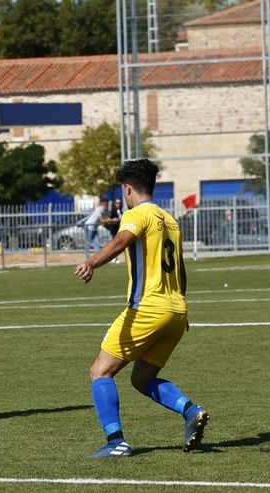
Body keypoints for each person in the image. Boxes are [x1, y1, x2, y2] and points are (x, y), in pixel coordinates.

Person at [74, 159, 209, 458]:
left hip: (147, 308)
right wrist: (181, 305)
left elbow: (122, 240)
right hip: (176, 312)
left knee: (100, 371)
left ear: (127, 189)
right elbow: (181, 269)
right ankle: (191, 410)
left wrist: (91, 262)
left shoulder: (137, 214)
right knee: (142, 379)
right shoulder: (170, 220)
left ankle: (116, 441)